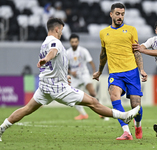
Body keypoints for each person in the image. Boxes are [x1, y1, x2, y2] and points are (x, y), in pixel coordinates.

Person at [0, 18, 141, 142]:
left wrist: (63, 75)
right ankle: (124, 116)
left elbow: (53, 64)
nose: (62, 32)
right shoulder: (54, 42)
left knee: (26, 109)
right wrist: (46, 59)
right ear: (57, 29)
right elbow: (53, 53)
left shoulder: (44, 42)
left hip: (44, 86)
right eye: (61, 30)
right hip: (57, 88)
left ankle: (2, 128)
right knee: (93, 102)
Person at [93, 3, 147, 140]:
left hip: (132, 72)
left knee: (136, 107)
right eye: (117, 14)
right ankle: (126, 132)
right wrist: (99, 71)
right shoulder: (103, 33)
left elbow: (137, 52)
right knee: (113, 97)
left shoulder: (131, 30)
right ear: (111, 14)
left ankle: (138, 125)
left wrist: (141, 69)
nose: (120, 17)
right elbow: (103, 54)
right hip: (115, 73)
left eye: (122, 14)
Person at [66, 34, 109, 121]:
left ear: (78, 42)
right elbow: (64, 66)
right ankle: (83, 114)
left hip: (84, 74)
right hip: (74, 77)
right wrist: (71, 72)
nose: (74, 43)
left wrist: (94, 72)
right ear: (70, 42)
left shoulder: (83, 51)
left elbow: (91, 62)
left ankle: (102, 112)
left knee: (92, 93)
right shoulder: (67, 53)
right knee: (73, 96)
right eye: (72, 42)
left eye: (75, 41)